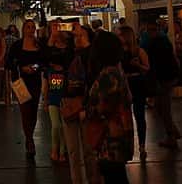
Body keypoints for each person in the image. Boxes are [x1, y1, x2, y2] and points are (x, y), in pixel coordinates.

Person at [87, 32, 134, 184]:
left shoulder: (109, 76)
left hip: (110, 140)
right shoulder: (115, 72)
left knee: (114, 177)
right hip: (117, 138)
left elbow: (103, 108)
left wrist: (87, 112)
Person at [62, 24, 100, 184]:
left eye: (81, 35)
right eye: (75, 36)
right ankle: (76, 180)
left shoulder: (92, 57)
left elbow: (93, 82)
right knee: (73, 150)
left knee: (89, 149)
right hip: (69, 103)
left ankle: (93, 179)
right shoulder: (69, 54)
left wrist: (86, 105)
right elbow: (56, 73)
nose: (77, 38)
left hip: (85, 105)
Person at [5, 19, 45, 156]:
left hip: (35, 80)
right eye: (28, 27)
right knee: (25, 111)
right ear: (23, 29)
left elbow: (43, 62)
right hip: (20, 81)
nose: (31, 29)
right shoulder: (17, 45)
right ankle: (29, 140)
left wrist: (34, 67)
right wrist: (21, 68)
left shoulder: (39, 45)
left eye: (32, 27)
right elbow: (9, 62)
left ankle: (30, 135)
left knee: (33, 110)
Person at [144, 20, 180, 149]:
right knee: (162, 107)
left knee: (163, 108)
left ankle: (171, 135)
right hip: (170, 77)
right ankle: (173, 131)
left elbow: (154, 64)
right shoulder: (164, 41)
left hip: (163, 79)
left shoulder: (153, 43)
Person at [118, 25, 150, 160]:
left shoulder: (139, 51)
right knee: (126, 116)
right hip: (129, 84)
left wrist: (138, 65)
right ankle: (129, 145)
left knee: (139, 115)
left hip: (136, 84)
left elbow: (147, 68)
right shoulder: (119, 52)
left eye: (119, 34)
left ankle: (141, 145)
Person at [46, 27, 72, 162]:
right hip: (53, 93)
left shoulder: (68, 48)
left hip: (64, 92)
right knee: (56, 125)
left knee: (63, 125)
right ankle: (55, 149)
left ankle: (62, 151)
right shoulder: (50, 49)